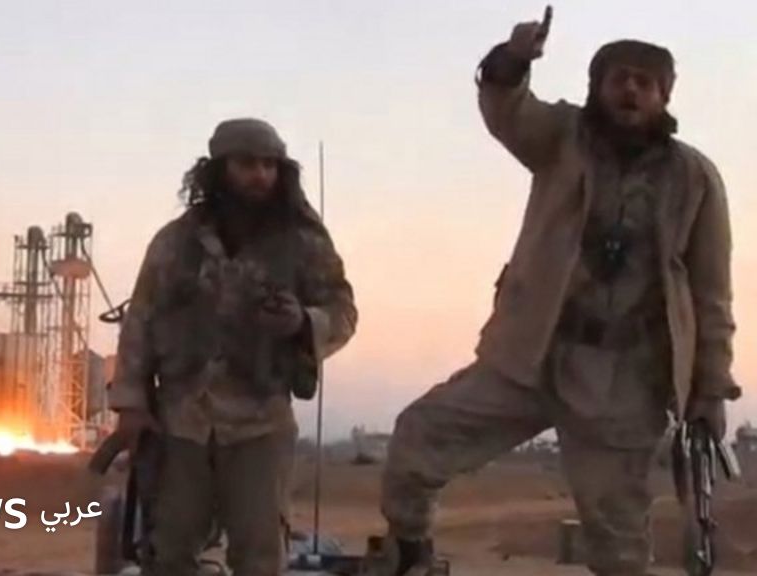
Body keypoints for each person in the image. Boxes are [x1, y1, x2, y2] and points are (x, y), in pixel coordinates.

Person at [377, 7, 740, 576]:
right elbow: (507, 111)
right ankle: (410, 554)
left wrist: (710, 391)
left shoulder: (694, 178)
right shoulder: (561, 137)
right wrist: (513, 59)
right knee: (417, 440)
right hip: (529, 355)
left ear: (664, 96)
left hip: (624, 377)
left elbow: (712, 294)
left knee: (618, 540)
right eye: (618, 78)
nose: (630, 90)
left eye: (645, 82)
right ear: (597, 87)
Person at [107, 117, 358, 576]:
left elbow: (342, 311)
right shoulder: (175, 243)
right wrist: (131, 405)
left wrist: (303, 322)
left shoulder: (302, 242)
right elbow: (140, 321)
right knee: (169, 551)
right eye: (246, 164)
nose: (260, 175)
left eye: (269, 165)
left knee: (259, 554)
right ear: (218, 170)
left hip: (259, 421)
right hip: (181, 421)